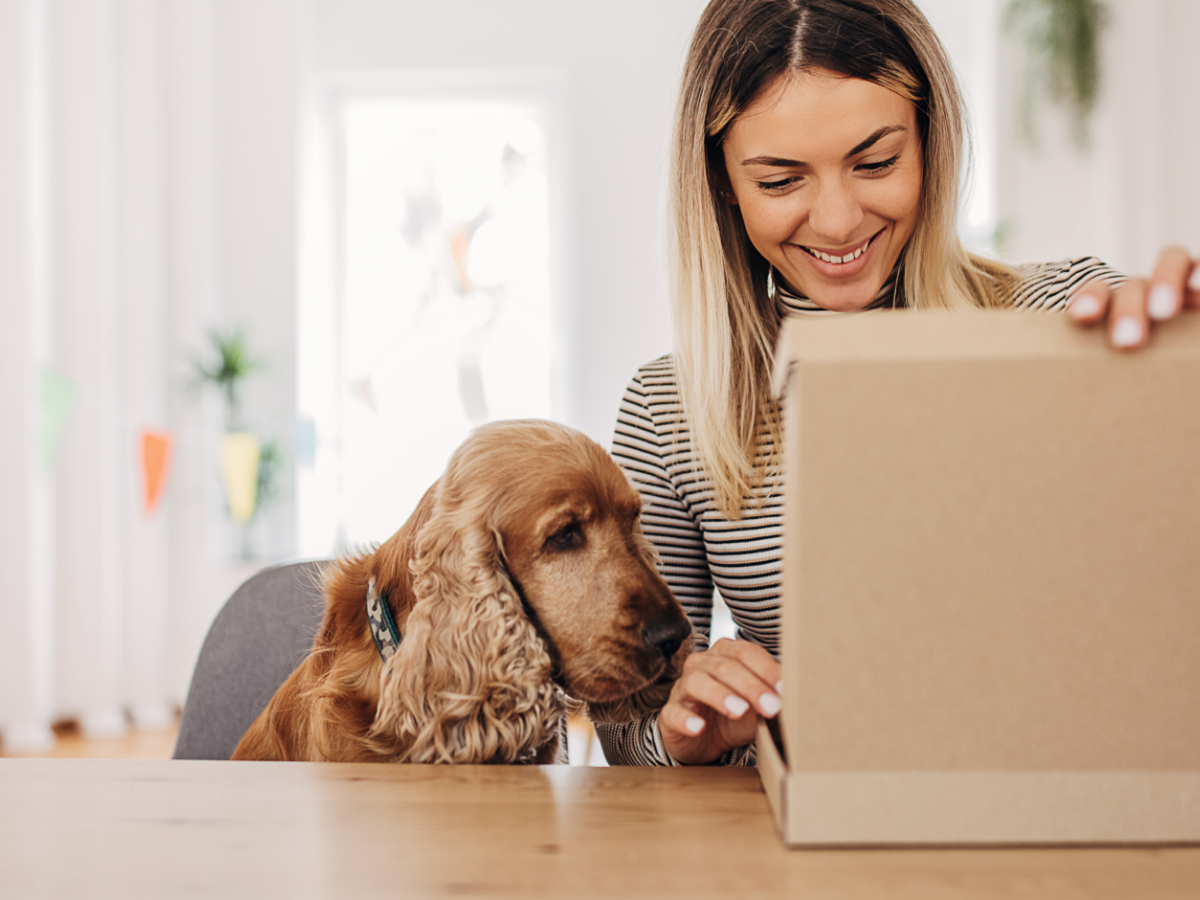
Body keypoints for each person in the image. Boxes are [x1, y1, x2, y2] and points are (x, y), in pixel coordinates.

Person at [596, 0, 1198, 767]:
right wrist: (689, 736)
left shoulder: (1063, 317)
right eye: (781, 180)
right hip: (808, 842)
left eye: (876, 162)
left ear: (930, 142)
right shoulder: (670, 410)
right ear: (723, 186)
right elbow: (627, 733)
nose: (840, 220)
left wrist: (1172, 376)